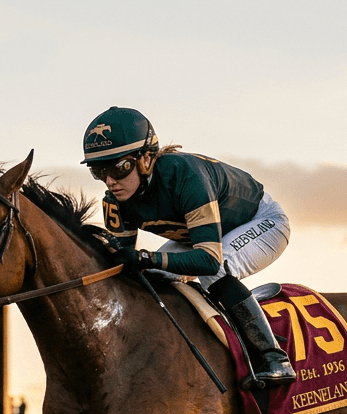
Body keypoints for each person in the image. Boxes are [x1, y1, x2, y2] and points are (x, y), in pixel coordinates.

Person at [82, 106, 297, 387]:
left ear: (146, 159)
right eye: (99, 171)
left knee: (215, 271)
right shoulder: (114, 201)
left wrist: (145, 256)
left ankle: (274, 358)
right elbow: (123, 267)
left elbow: (207, 260)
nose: (110, 181)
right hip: (204, 238)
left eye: (118, 167)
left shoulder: (185, 176)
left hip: (262, 221)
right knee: (150, 279)